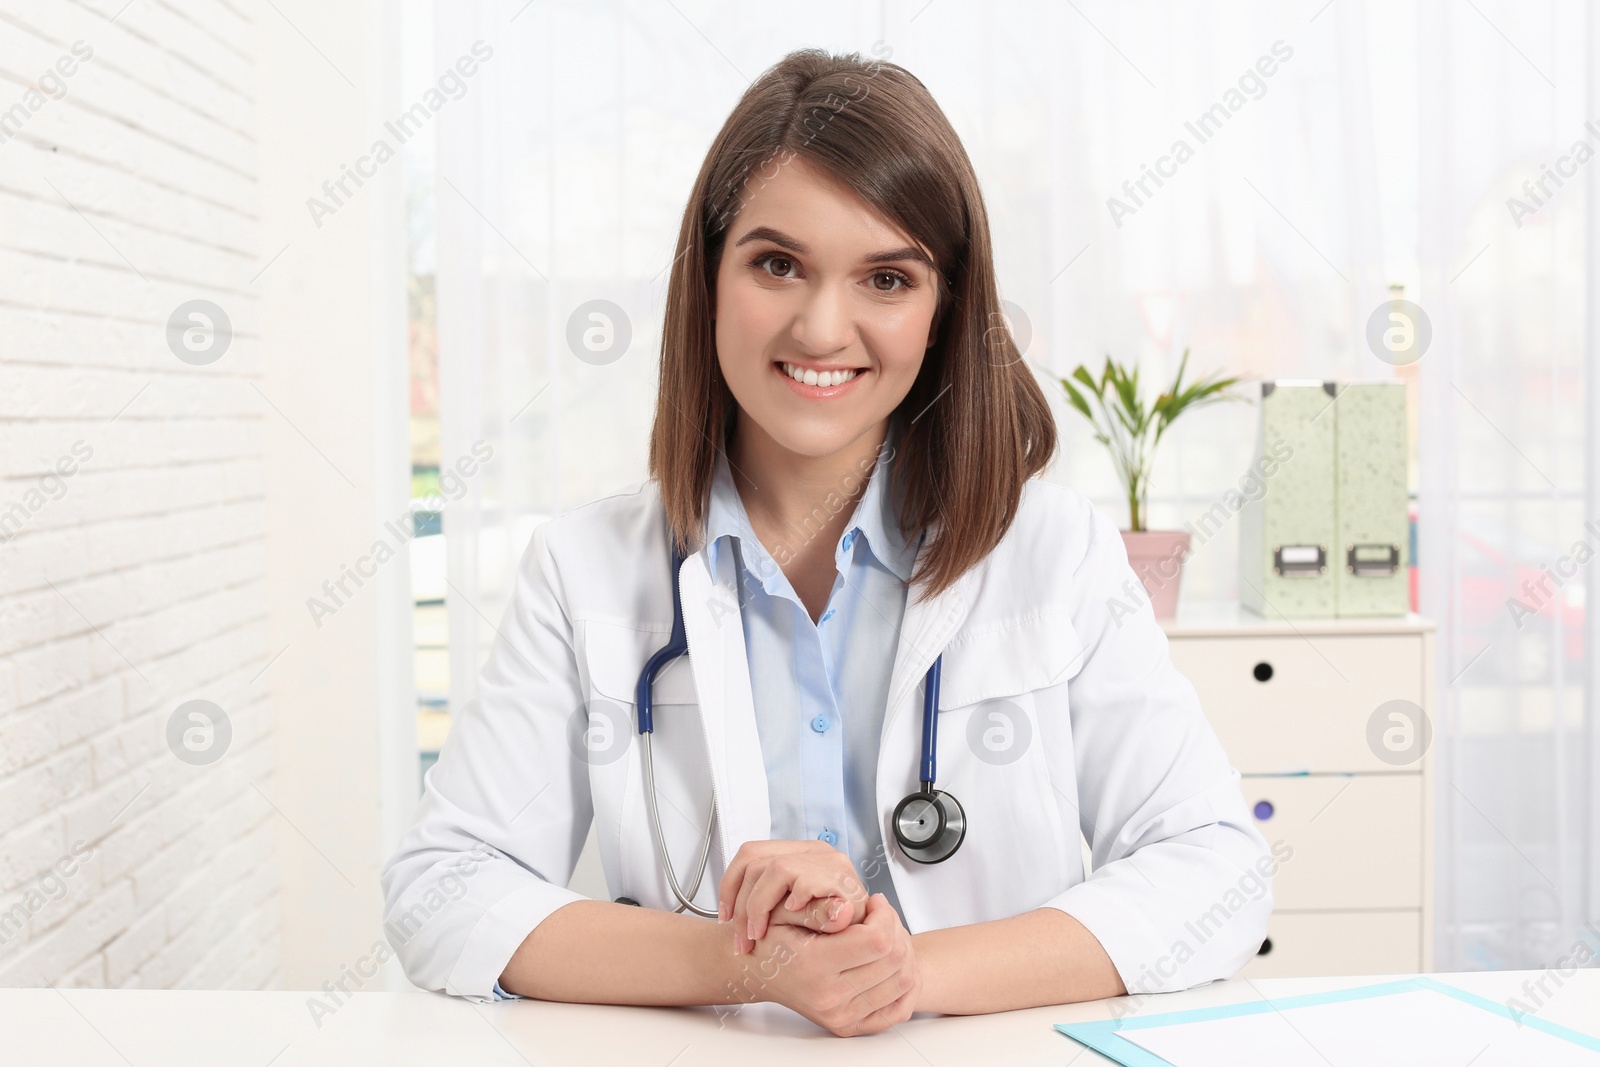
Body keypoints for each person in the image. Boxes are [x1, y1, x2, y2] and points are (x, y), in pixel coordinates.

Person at [380, 47, 1272, 1038]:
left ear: (941, 311)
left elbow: (1217, 871)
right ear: (708, 278)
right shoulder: (584, 568)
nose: (821, 326)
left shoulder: (1053, 555)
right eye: (776, 263)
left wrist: (901, 969)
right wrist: (749, 958)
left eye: (886, 277)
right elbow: (442, 891)